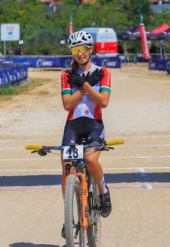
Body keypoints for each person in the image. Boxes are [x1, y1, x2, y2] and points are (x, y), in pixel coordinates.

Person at [60, 31, 112, 235]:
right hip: (73, 125)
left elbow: (103, 102)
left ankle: (103, 191)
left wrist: (82, 84)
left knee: (90, 160)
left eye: (83, 49)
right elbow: (67, 104)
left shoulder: (104, 72)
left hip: (94, 124)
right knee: (66, 168)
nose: (79, 53)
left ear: (90, 49)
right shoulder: (66, 75)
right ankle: (69, 216)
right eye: (75, 50)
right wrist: (85, 86)